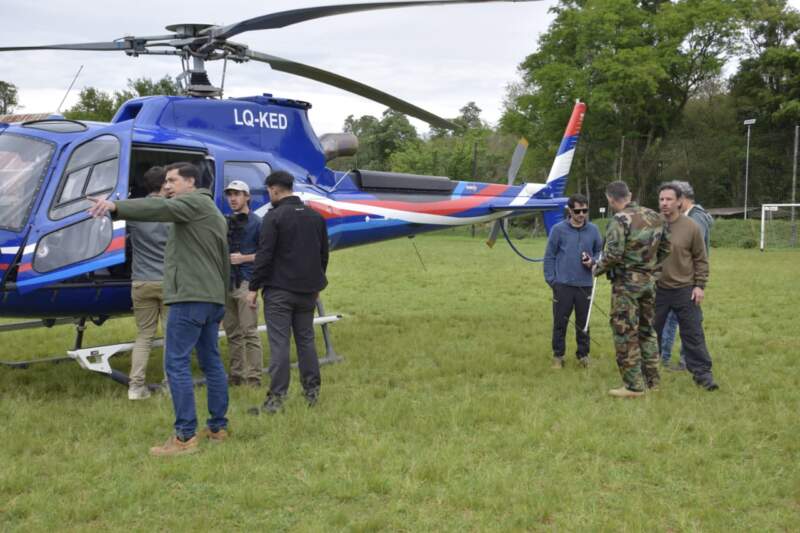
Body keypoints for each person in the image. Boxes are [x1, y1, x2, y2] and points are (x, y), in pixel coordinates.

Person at [88, 162, 231, 456]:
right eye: (165, 181)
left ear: (191, 182)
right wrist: (222, 301)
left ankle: (184, 438)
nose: (166, 187)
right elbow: (224, 260)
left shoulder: (190, 203)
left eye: (172, 181)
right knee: (212, 363)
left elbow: (156, 210)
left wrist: (114, 206)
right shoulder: (213, 211)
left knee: (175, 364)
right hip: (211, 298)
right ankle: (217, 428)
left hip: (189, 297)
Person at [246, 170, 329, 414]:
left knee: (280, 344)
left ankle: (276, 399)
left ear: (274, 189)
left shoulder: (274, 217)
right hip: (308, 292)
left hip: (280, 292)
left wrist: (253, 287)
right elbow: (323, 255)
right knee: (306, 342)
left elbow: (265, 256)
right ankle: (312, 392)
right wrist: (316, 284)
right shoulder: (316, 217)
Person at [593, 180, 670, 398]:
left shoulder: (619, 220)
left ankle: (634, 386)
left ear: (610, 199)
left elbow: (613, 254)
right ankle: (653, 381)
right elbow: (666, 248)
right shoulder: (656, 216)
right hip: (648, 282)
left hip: (626, 284)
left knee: (625, 332)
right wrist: (650, 268)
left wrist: (596, 269)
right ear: (630, 194)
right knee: (647, 331)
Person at [653, 183, 719, 391]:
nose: (664, 203)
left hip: (685, 290)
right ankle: (646, 375)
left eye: (669, 199)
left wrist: (700, 286)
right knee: (649, 333)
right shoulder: (653, 225)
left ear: (679, 201)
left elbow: (701, 258)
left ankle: (703, 376)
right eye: (661, 199)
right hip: (658, 289)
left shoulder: (691, 226)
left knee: (693, 334)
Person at [543, 193, 603, 369]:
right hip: (562, 285)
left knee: (583, 323)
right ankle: (558, 356)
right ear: (569, 210)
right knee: (560, 322)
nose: (582, 214)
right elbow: (549, 256)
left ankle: (583, 355)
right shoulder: (558, 230)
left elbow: (600, 251)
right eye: (578, 211)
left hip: (585, 284)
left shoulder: (593, 230)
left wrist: (594, 261)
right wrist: (552, 280)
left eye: (585, 210)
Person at [127, 166, 169, 400]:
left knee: (144, 335)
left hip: (141, 281)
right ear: (165, 184)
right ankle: (170, 384)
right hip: (169, 283)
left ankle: (135, 387)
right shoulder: (174, 209)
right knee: (172, 337)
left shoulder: (135, 211)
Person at [222, 180, 264, 387]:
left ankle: (254, 378)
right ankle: (236, 375)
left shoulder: (257, 223)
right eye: (230, 194)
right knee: (232, 333)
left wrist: (244, 258)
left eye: (237, 194)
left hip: (247, 283)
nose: (232, 198)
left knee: (249, 332)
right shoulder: (226, 222)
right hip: (227, 283)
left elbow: (267, 254)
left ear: (247, 197)